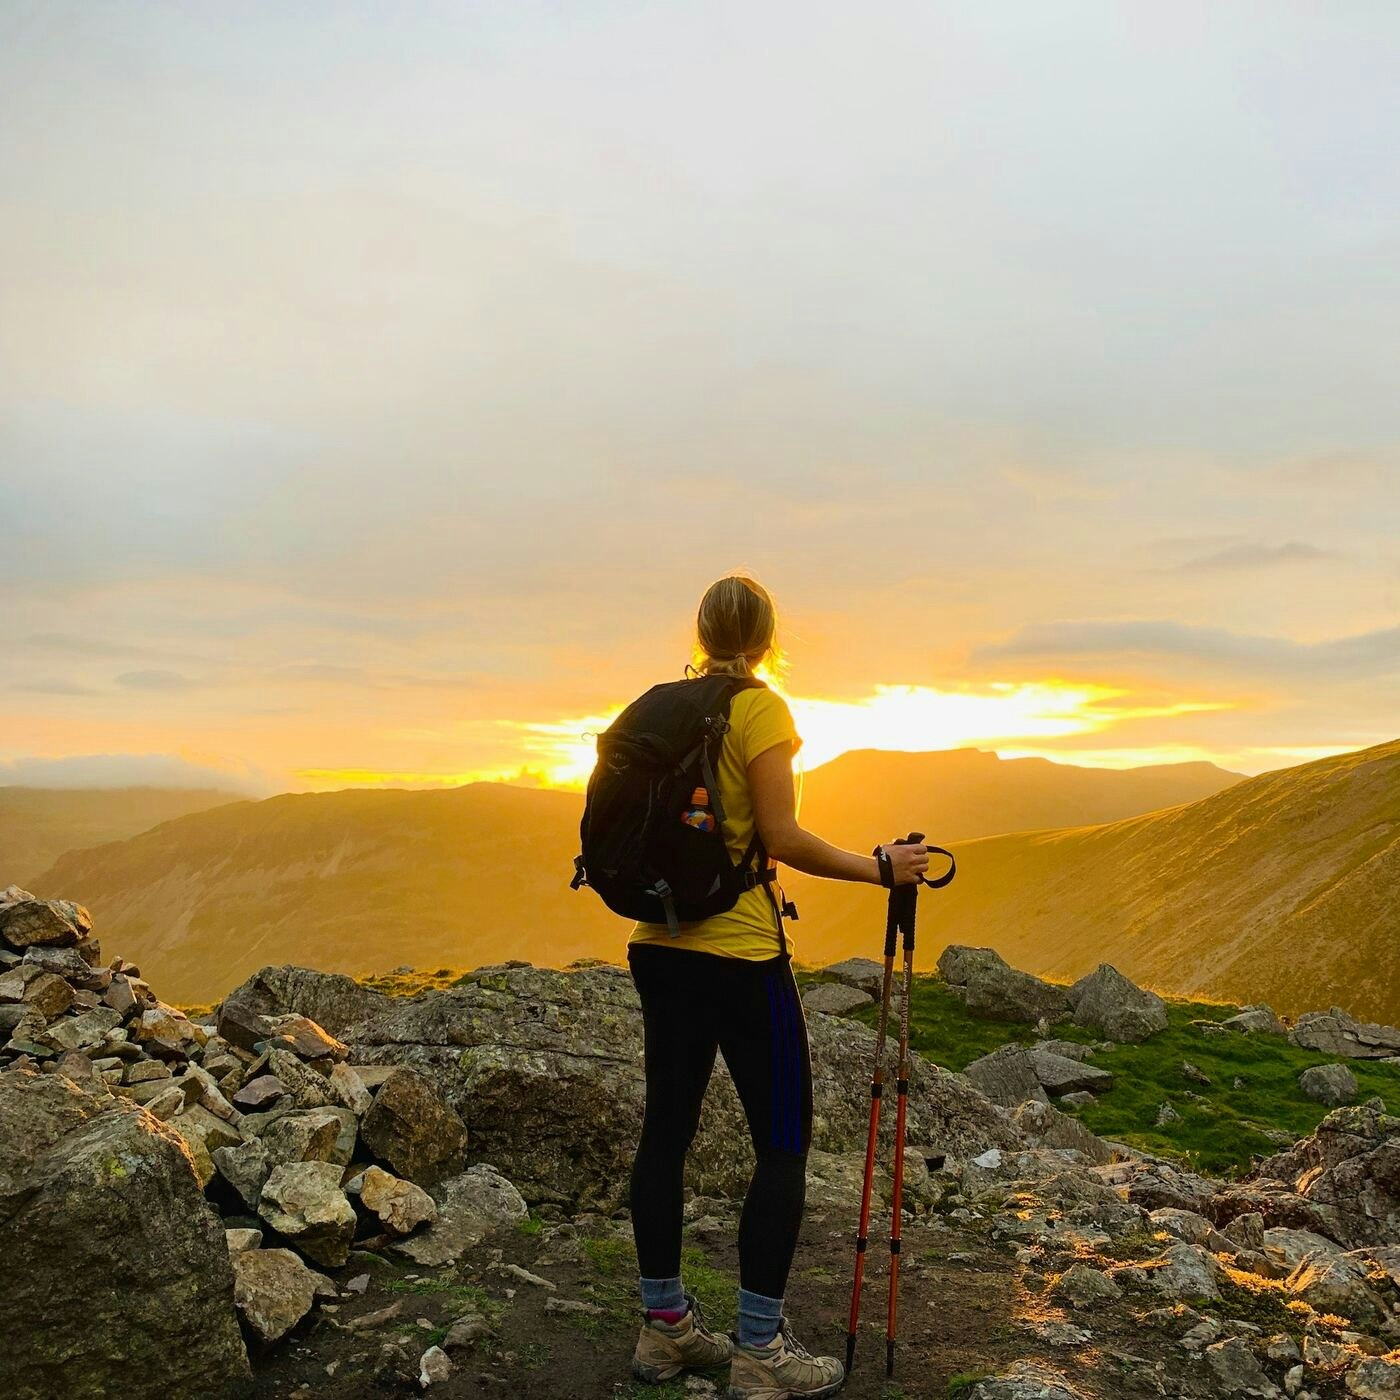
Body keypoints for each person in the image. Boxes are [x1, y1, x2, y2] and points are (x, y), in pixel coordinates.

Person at [627, 573, 930, 1398]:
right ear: (766, 639)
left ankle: (666, 1335)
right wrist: (880, 868)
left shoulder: (656, 707)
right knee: (782, 1144)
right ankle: (759, 1352)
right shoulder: (759, 709)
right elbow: (780, 834)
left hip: (658, 943)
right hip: (741, 954)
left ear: (698, 631)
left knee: (666, 1136)